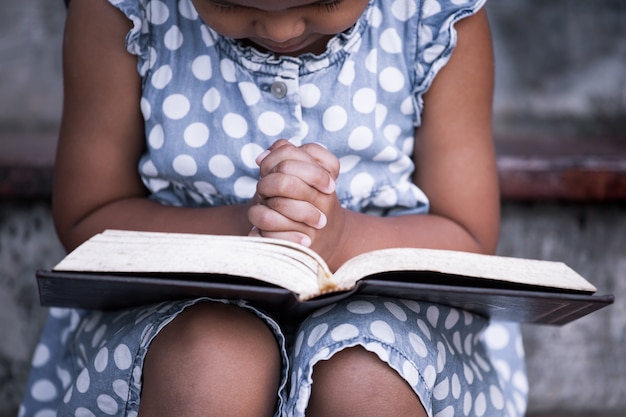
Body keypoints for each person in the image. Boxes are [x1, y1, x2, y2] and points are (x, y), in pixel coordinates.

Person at [20, 0, 529, 415]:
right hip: (170, 314)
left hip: (396, 324)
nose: (281, 28)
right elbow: (89, 217)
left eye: (323, 2)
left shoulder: (435, 17)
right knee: (213, 364)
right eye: (231, 4)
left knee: (368, 378)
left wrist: (341, 237)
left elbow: (469, 233)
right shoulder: (123, 11)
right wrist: (246, 232)